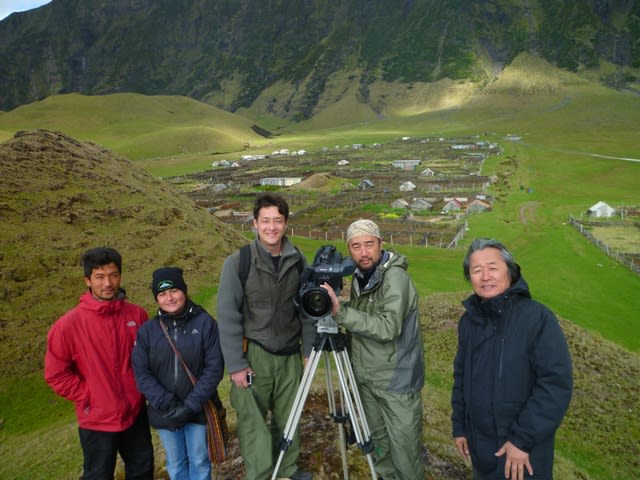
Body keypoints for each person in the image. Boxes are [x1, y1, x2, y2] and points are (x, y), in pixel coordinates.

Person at [451, 238, 573, 480]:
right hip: (482, 452)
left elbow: (554, 384)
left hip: (524, 454)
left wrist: (522, 440)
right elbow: (461, 377)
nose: (485, 276)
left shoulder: (537, 318)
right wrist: (460, 427)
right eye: (477, 270)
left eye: (493, 267)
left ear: (509, 271)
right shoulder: (468, 322)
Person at [216, 193, 314, 480]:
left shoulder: (298, 261)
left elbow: (307, 311)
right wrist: (235, 364)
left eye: (278, 221)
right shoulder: (238, 263)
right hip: (253, 356)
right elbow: (228, 315)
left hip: (289, 356)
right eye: (265, 220)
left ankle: (287, 469)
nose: (272, 227)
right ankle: (260, 474)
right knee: (252, 422)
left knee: (290, 417)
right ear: (255, 223)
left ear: (286, 224)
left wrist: (308, 351)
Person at [323, 219, 426, 480]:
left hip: (396, 381)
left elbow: (387, 327)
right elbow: (363, 325)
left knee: (405, 454)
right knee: (380, 448)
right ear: (349, 249)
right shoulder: (360, 277)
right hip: (368, 379)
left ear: (381, 243)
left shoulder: (395, 277)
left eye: (369, 244)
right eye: (356, 246)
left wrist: (340, 312)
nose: (364, 252)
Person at [44, 247, 154, 480]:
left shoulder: (137, 315)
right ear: (87, 280)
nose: (108, 283)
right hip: (96, 420)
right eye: (100, 277)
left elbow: (149, 359)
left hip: (135, 414)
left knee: (143, 471)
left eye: (113, 275)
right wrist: (89, 395)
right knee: (98, 475)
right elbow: (56, 374)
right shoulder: (68, 326)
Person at [132, 267, 225, 480]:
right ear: (156, 298)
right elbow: (141, 372)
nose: (169, 298)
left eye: (174, 290)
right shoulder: (148, 331)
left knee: (200, 461)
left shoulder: (205, 323)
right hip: (165, 412)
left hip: (198, 410)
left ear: (184, 290)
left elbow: (214, 368)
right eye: (162, 294)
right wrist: (168, 403)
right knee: (176, 463)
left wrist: (190, 405)